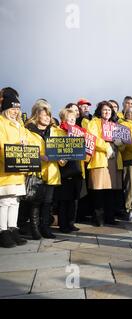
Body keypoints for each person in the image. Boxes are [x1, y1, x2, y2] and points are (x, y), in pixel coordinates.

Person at [24, 104, 64, 238]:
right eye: (45, 114)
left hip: (52, 171)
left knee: (48, 201)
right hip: (36, 171)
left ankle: (45, 227)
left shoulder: (55, 131)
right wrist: (40, 156)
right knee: (35, 201)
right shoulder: (27, 131)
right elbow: (25, 150)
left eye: (49, 115)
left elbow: (63, 149)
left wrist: (63, 158)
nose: (48, 118)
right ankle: (34, 229)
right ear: (36, 114)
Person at [0, 95, 34, 247]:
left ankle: (13, 229)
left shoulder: (20, 125)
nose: (15, 111)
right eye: (12, 108)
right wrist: (15, 151)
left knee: (15, 201)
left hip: (18, 170)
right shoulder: (1, 123)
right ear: (6, 109)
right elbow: (2, 146)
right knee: (5, 202)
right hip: (5, 171)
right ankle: (3, 231)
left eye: (17, 108)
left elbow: (29, 141)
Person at [86, 101, 124, 226]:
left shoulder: (115, 124)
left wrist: (120, 143)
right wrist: (106, 147)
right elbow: (92, 138)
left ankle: (110, 217)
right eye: (104, 110)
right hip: (100, 158)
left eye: (109, 110)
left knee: (111, 191)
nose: (107, 112)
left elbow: (122, 145)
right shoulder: (94, 122)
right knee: (99, 190)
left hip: (113, 160)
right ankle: (98, 218)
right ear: (99, 111)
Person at [54, 108, 85, 233]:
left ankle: (71, 223)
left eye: (73, 118)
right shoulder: (58, 131)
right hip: (64, 170)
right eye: (69, 119)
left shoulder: (80, 132)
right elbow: (55, 150)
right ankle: (63, 224)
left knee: (74, 200)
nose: (72, 121)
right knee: (64, 200)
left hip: (77, 169)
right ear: (63, 119)